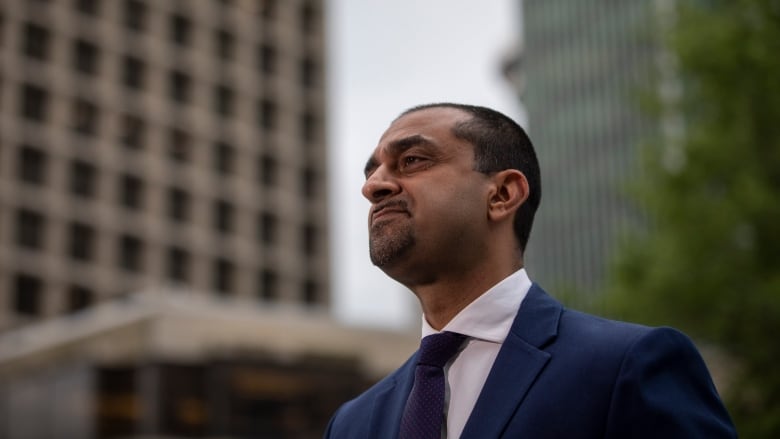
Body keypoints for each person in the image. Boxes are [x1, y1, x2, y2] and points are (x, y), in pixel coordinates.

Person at [324, 103, 737, 438]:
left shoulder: (627, 367)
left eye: (411, 160)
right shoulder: (351, 424)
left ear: (503, 194)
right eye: (372, 171)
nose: (373, 186)